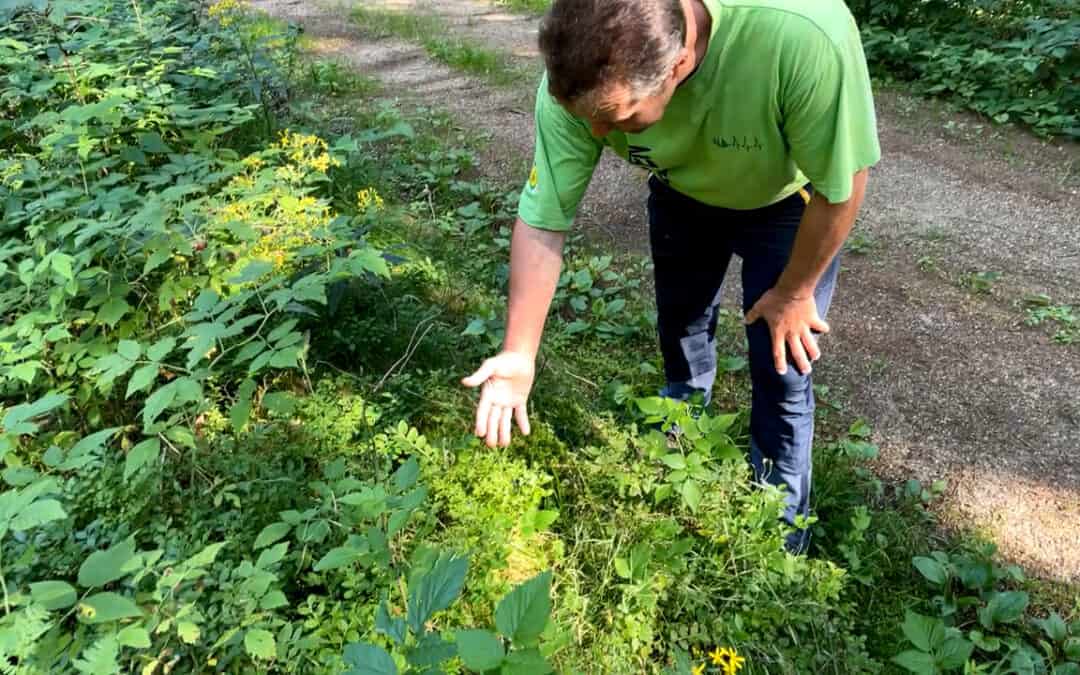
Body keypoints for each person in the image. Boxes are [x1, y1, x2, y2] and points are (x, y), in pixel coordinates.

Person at [462, 0, 880, 553]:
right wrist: (519, 352)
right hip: (681, 195)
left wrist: (795, 291)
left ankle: (777, 532)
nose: (596, 131)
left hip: (788, 204)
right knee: (682, 321)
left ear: (679, 63)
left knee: (782, 363)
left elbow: (842, 187)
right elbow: (544, 220)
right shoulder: (583, 81)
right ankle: (682, 427)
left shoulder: (802, 37)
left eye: (616, 116)